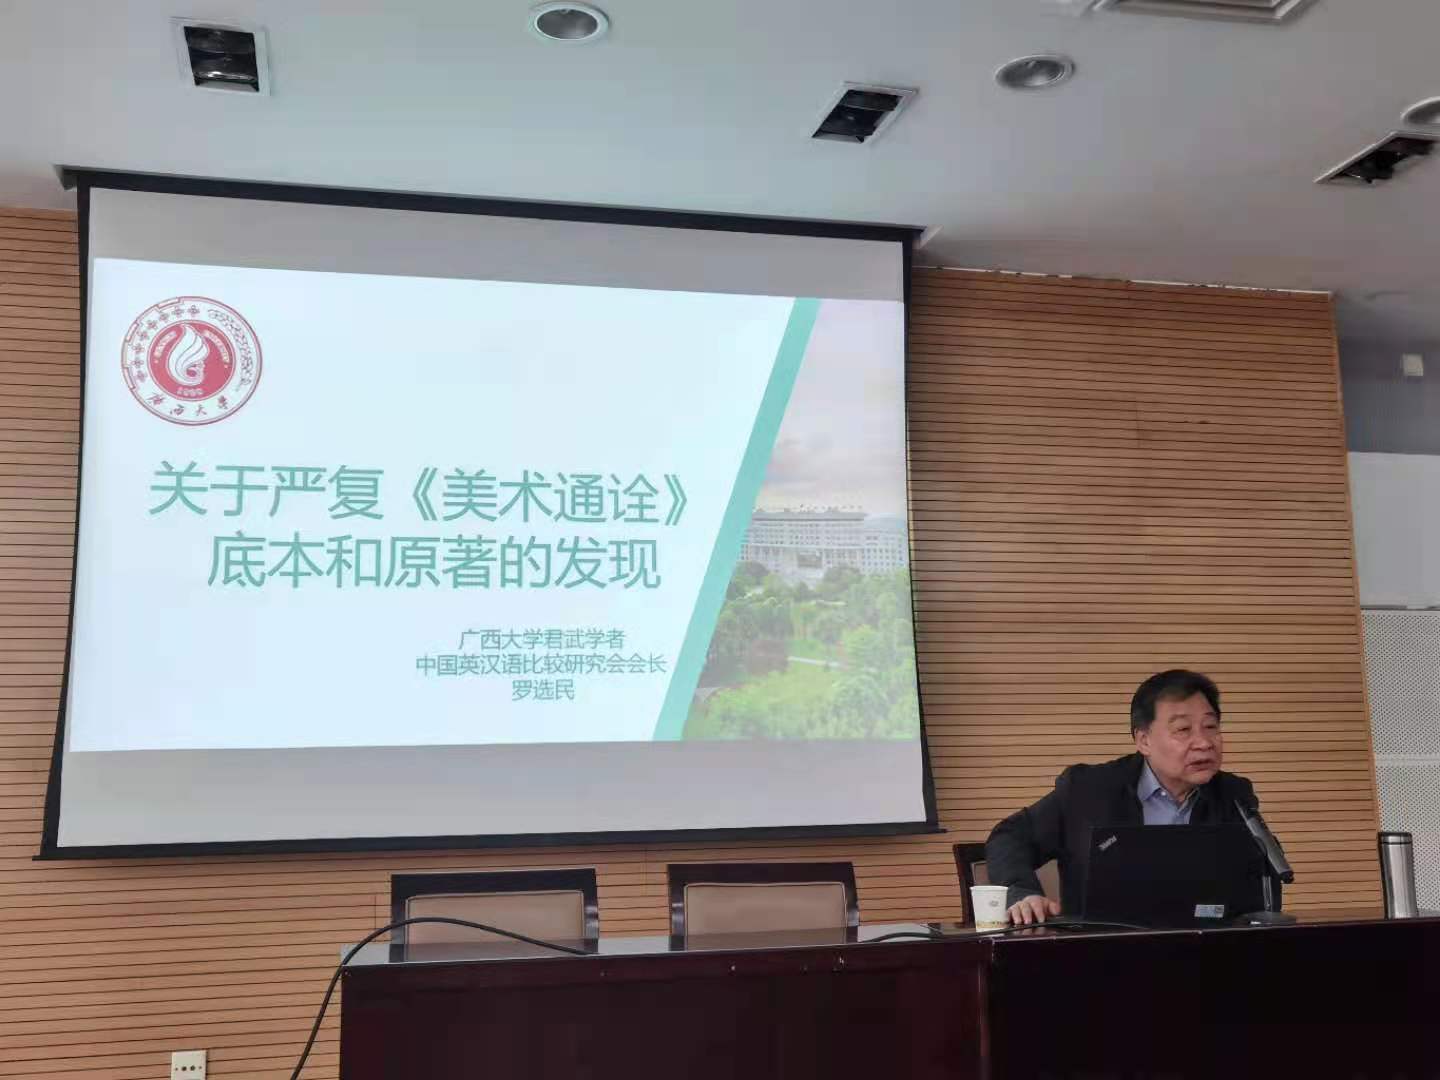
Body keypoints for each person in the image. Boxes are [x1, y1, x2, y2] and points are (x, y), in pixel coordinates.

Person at [984, 669, 1259, 926]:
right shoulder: (1087, 791)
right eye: (1183, 730)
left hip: (1202, 949)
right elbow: (1009, 836)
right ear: (1144, 741)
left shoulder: (1233, 794)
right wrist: (1021, 893)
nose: (1204, 742)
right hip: (1101, 948)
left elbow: (1259, 883)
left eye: (1210, 726)